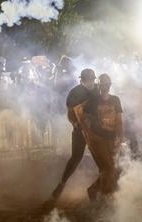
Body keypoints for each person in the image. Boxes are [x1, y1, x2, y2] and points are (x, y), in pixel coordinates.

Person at [74, 73, 123, 200]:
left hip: (111, 138)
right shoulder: (93, 100)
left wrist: (120, 137)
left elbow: (119, 120)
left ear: (110, 85)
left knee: (108, 169)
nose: (105, 86)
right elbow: (79, 111)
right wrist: (88, 134)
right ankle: (106, 196)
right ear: (99, 85)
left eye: (107, 83)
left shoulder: (115, 100)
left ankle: (95, 191)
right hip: (98, 139)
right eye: (102, 83)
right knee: (109, 168)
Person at [51, 68, 97, 200]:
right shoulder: (75, 92)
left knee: (101, 158)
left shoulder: (97, 90)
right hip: (80, 130)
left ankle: (96, 188)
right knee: (76, 157)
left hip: (96, 130)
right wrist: (75, 124)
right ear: (82, 80)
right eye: (88, 80)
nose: (91, 82)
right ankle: (62, 184)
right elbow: (70, 112)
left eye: (92, 80)